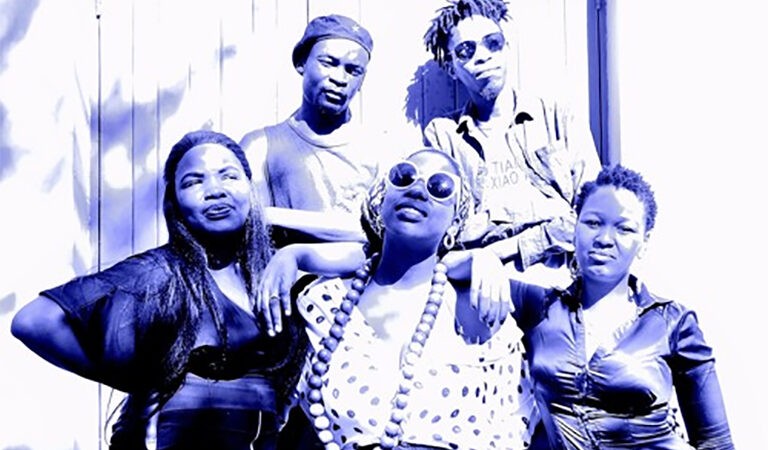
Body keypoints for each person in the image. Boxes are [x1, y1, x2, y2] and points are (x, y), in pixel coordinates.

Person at [11, 130, 308, 450]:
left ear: (251, 188)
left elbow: (354, 242)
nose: (215, 191)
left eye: (229, 176)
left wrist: (291, 246)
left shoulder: (275, 269)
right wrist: (131, 379)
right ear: (175, 203)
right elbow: (34, 320)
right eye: (193, 182)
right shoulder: (159, 274)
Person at [289, 148, 536, 450]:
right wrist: (292, 255)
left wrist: (485, 257)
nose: (418, 190)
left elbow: (511, 427)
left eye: (440, 187)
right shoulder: (325, 304)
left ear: (455, 223)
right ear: (381, 201)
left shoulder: (480, 310)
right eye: (404, 176)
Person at [509, 166, 734, 449]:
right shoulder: (540, 307)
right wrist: (486, 261)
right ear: (574, 229)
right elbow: (459, 272)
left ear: (644, 242)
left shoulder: (673, 323)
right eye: (593, 223)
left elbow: (716, 442)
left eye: (625, 228)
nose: (604, 239)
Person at [423, 0, 602, 289]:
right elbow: (448, 237)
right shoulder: (443, 136)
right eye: (466, 50)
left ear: (507, 47)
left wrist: (501, 247)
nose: (482, 56)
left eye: (492, 43)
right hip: (477, 287)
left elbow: (593, 214)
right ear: (452, 67)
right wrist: (549, 212)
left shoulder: (556, 117)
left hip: (561, 283)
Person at [240, 14, 383, 247]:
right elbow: (252, 224)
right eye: (328, 63)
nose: (339, 78)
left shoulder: (380, 151)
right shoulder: (260, 147)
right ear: (301, 63)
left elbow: (385, 231)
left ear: (362, 81)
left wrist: (275, 215)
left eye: (353, 71)